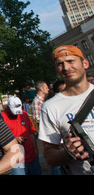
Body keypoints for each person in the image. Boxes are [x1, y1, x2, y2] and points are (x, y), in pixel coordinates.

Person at [39, 45, 94, 175]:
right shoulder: (50, 107)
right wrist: (68, 152)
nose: (66, 68)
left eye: (70, 61)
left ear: (85, 63)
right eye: (60, 64)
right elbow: (50, 156)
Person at [1, 96, 42, 175]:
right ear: (8, 107)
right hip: (15, 159)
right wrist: (14, 139)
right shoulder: (1, 117)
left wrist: (36, 150)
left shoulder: (24, 114)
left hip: (31, 155)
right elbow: (0, 138)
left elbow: (31, 133)